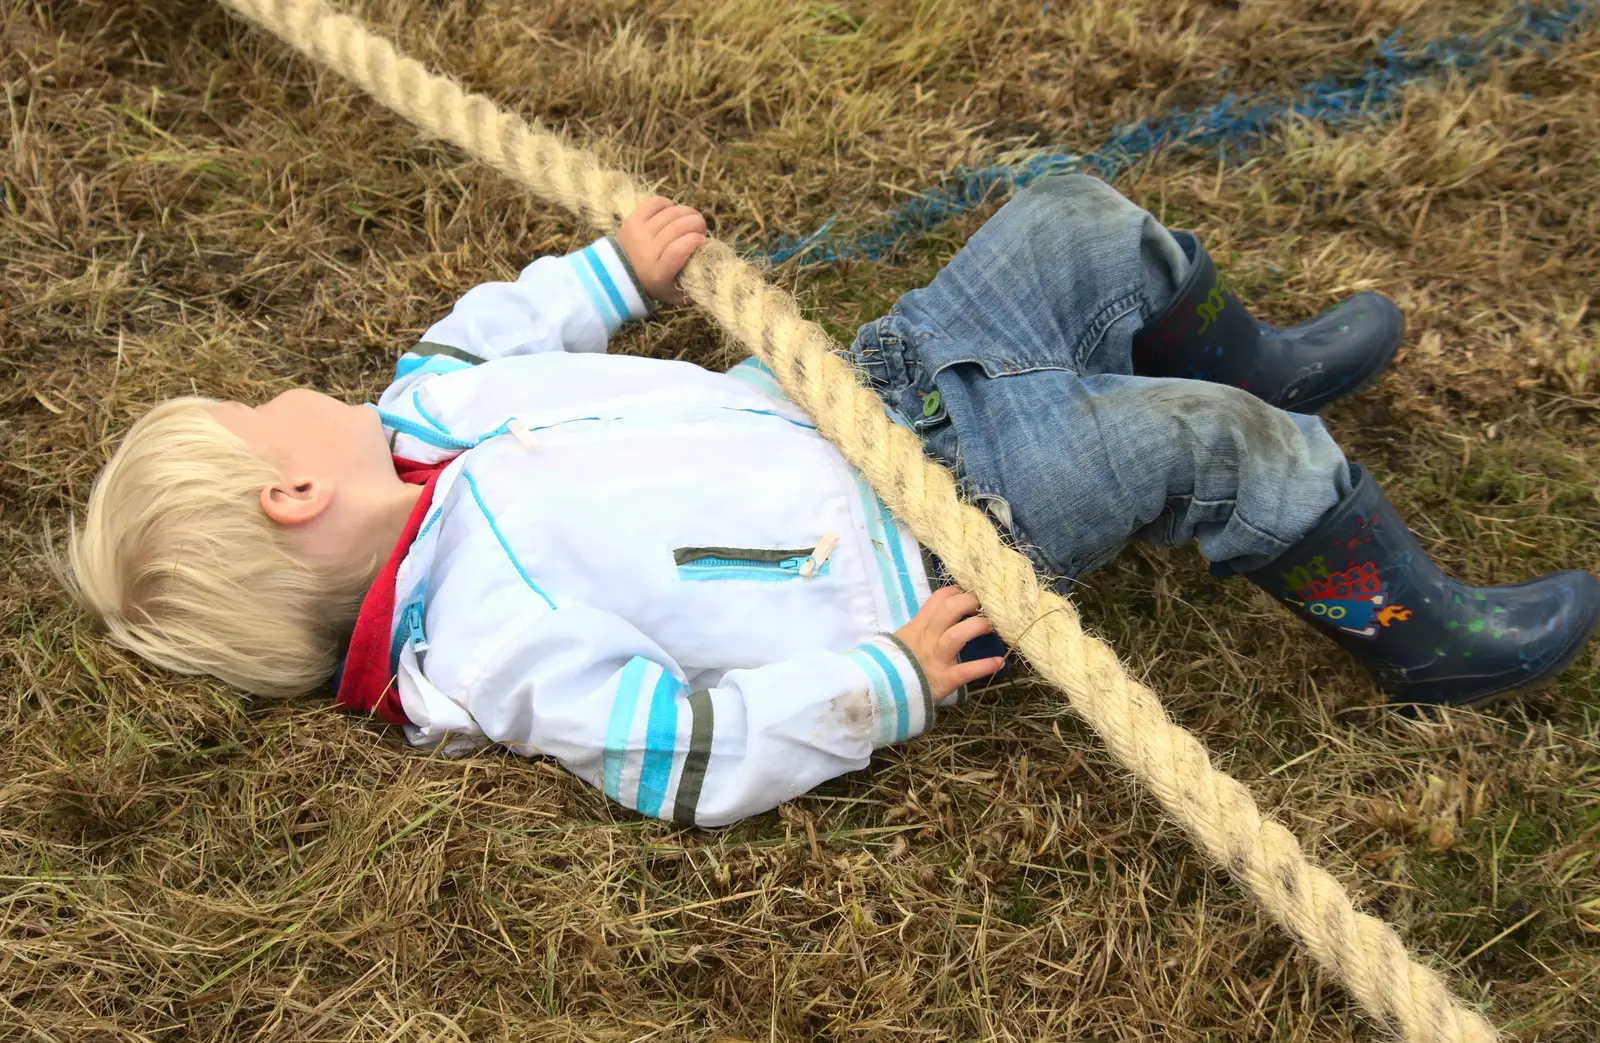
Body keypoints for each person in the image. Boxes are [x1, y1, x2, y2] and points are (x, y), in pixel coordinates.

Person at [65, 176, 1599, 827]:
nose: (291, 388)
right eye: (261, 405)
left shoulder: (415, 414)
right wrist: (884, 681)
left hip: (872, 381)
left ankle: (1268, 357)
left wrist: (611, 274)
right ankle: (1428, 628)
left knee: (1077, 218)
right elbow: (681, 751)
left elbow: (491, 332)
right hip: (948, 518)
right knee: (1205, 447)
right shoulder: (485, 641)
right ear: (287, 486)